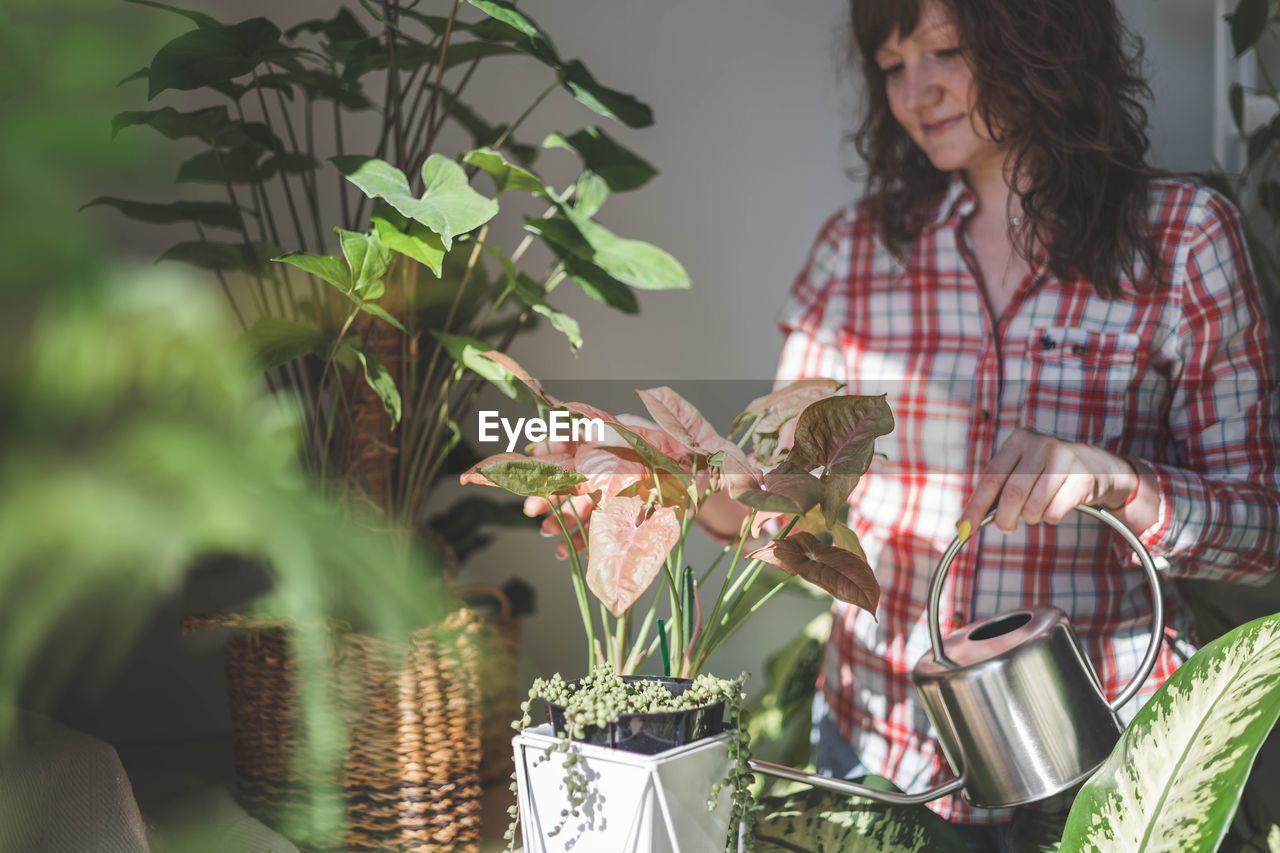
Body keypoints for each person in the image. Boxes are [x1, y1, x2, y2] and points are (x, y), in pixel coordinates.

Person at [774, 0, 1280, 847]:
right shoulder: (855, 252)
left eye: (944, 52)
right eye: (893, 67)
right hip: (887, 751)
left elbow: (1264, 534)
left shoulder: (1182, 240)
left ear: (1041, 44)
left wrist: (1117, 483)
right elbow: (778, 502)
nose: (915, 93)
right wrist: (649, 477)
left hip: (1107, 756)